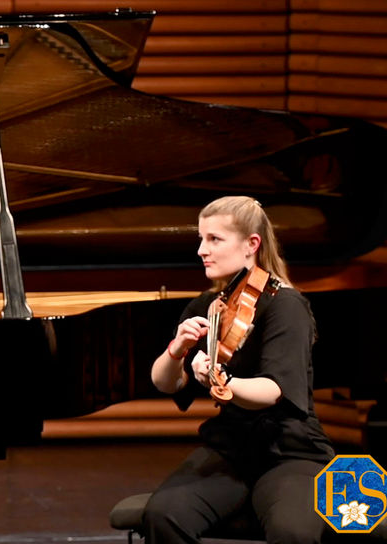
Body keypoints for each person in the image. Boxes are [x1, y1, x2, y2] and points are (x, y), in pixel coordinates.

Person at [144, 196, 335, 544]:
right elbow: (166, 383)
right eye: (201, 238)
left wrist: (222, 378)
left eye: (215, 239)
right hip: (231, 448)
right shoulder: (208, 303)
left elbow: (272, 391)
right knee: (163, 515)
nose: (202, 249)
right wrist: (177, 351)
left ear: (252, 244)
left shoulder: (286, 306)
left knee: (292, 532)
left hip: (291, 452)